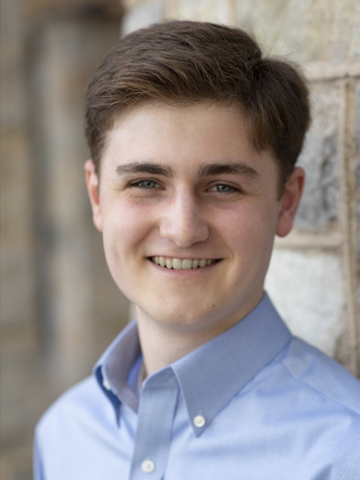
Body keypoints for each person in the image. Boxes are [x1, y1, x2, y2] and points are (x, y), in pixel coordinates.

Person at [34, 21, 360, 480]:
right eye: (146, 183)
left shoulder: (344, 452)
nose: (183, 229)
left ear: (286, 202)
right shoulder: (65, 435)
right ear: (96, 197)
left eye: (223, 186)